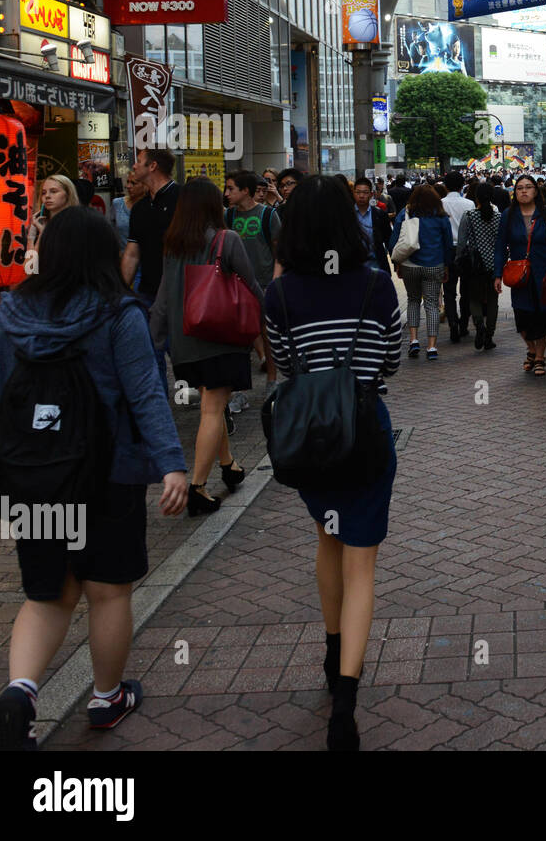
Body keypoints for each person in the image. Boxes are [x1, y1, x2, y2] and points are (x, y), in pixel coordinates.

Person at [0, 209, 189, 751]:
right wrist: (171, 463)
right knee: (106, 591)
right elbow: (146, 392)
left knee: (46, 594)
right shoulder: (119, 314)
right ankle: (105, 697)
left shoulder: (13, 313)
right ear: (102, 255)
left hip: (33, 475)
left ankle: (21, 694)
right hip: (109, 472)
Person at [263, 175, 402, 751]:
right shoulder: (375, 285)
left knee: (328, 539)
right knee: (361, 563)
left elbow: (284, 368)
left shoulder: (280, 294)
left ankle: (329, 642)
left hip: (309, 438)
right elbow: (391, 360)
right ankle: (345, 697)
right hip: (365, 431)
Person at [149, 178, 263, 516]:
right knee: (213, 410)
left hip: (185, 343)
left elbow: (163, 298)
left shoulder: (173, 244)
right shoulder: (227, 239)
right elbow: (252, 284)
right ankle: (197, 488)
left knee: (212, 406)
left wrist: (154, 340)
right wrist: (269, 318)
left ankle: (228, 465)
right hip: (221, 337)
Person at [120, 148, 181, 392]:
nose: (134, 166)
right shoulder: (140, 208)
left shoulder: (183, 199)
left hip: (181, 293)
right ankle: (160, 407)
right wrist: (121, 292)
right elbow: (132, 254)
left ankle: (215, 406)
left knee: (183, 357)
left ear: (153, 166)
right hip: (148, 294)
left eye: (139, 162)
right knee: (152, 355)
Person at [494, 174, 546, 376]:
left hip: (543, 272)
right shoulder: (508, 214)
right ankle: (531, 349)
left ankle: (539, 357)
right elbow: (500, 246)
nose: (524, 191)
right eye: (520, 187)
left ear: (535, 191)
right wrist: (497, 274)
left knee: (542, 315)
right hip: (519, 273)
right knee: (522, 315)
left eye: (528, 187)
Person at [224, 170, 282, 388]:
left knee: (267, 334)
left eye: (231, 189)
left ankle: (272, 381)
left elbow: (279, 253)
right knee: (239, 338)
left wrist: (274, 283)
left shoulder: (267, 215)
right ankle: (239, 388)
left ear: (245, 191)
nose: (227, 193)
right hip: (236, 287)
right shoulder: (228, 216)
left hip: (265, 284)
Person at [394, 185, 453, 359]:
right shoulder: (441, 218)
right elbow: (448, 244)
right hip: (434, 264)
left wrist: (397, 263)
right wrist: (447, 265)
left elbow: (395, 240)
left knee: (413, 300)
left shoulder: (405, 214)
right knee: (432, 304)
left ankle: (413, 340)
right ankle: (432, 346)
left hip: (410, 264)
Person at [456, 183, 501, 350]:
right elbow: (501, 243)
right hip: (494, 264)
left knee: (473, 298)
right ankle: (489, 335)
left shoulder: (469, 215)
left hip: (474, 264)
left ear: (476, 197)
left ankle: (479, 326)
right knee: (492, 300)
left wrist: (458, 259)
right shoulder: (498, 217)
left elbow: (461, 243)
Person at [440, 173, 473, 343]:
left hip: (447, 250)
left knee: (449, 290)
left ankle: (453, 323)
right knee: (466, 290)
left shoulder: (441, 204)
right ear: (462, 185)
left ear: (445, 186)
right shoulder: (469, 204)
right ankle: (464, 325)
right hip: (466, 250)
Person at [352, 175, 393, 275]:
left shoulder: (379, 215)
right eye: (358, 192)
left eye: (365, 193)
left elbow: (388, 240)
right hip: (352, 269)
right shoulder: (346, 215)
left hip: (376, 267)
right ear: (353, 193)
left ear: (371, 194)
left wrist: (396, 262)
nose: (361, 196)